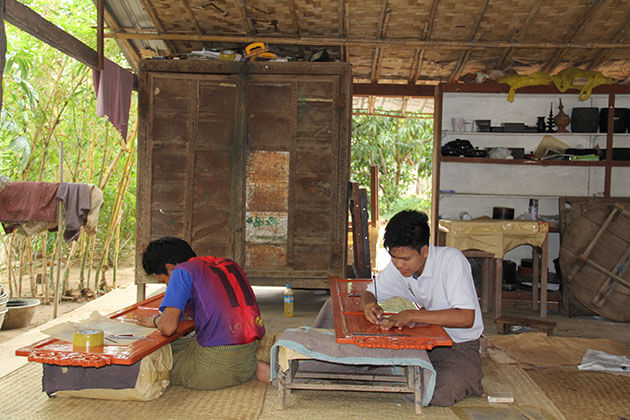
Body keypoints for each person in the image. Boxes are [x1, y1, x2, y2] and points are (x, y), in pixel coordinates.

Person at [359, 210, 484, 406]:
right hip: (421, 340)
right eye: (394, 257)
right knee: (366, 355)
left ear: (425, 251)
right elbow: (369, 292)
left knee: (445, 389)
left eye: (406, 259)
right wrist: (368, 305)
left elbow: (466, 318)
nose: (400, 265)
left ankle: (411, 372)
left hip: (457, 345)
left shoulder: (452, 261)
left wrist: (411, 315)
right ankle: (409, 370)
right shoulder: (400, 267)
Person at [136, 236, 270, 390]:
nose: (167, 285)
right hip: (248, 354)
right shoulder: (229, 264)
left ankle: (231, 369)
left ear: (169, 268)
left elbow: (168, 328)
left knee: (157, 360)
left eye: (163, 281)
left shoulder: (181, 271)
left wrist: (156, 321)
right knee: (182, 344)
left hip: (211, 372)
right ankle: (251, 366)